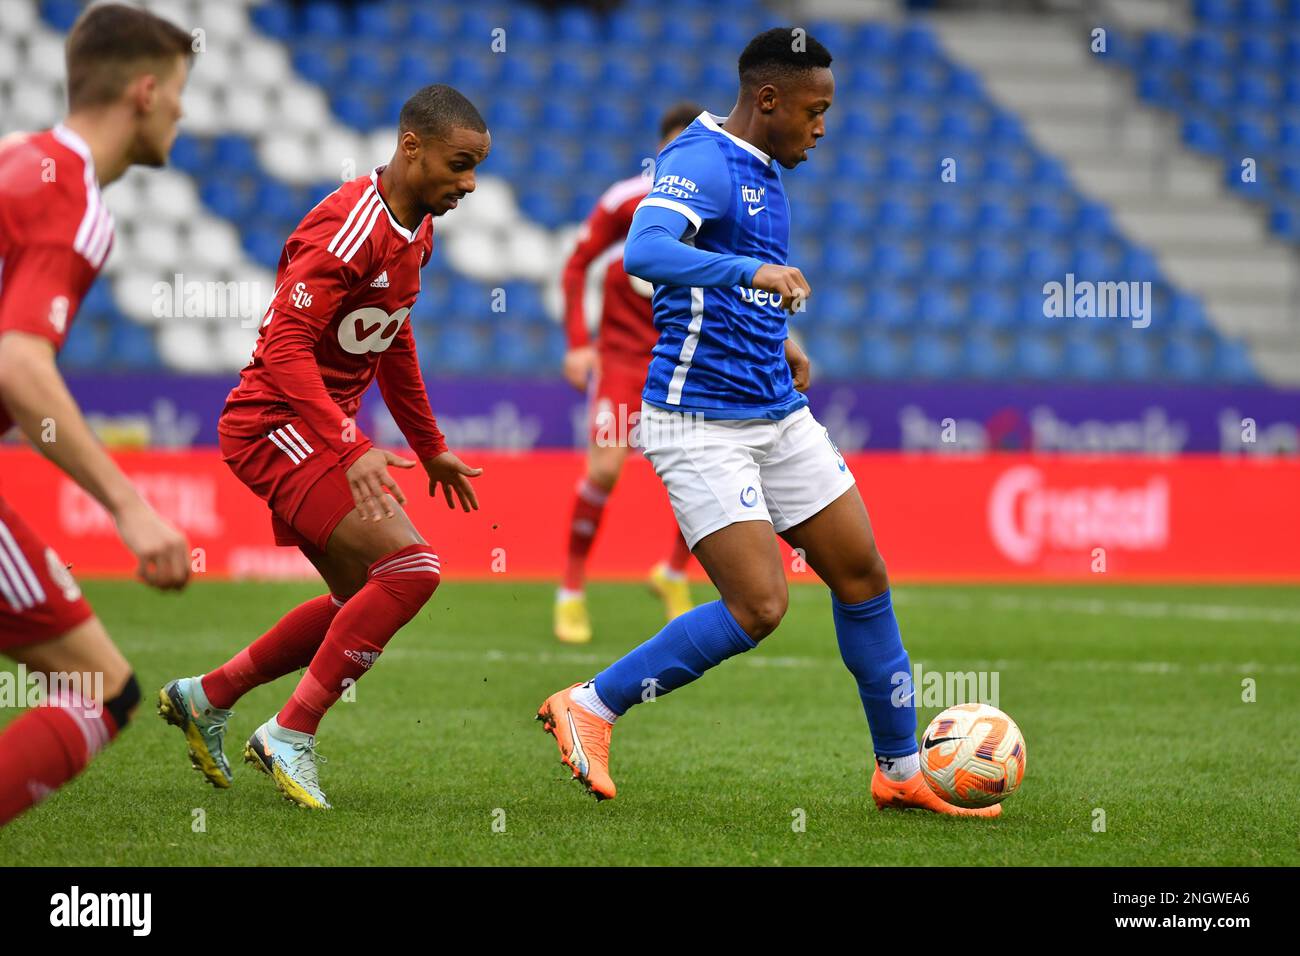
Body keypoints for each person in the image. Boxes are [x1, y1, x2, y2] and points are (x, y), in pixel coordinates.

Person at [536, 28, 999, 817]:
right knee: (760, 607)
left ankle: (897, 768)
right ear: (769, 99)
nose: (823, 126)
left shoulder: (764, 168)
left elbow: (721, 279)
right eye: (815, 110)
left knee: (861, 576)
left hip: (775, 411)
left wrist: (776, 332)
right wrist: (753, 272)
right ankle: (591, 704)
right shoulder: (700, 160)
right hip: (697, 420)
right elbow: (646, 252)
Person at [158, 85, 489, 810]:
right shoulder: (348, 229)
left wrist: (428, 446)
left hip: (314, 428)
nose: (469, 184)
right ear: (412, 147)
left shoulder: (417, 231)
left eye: (475, 170)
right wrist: (349, 438)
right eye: (459, 165)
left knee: (355, 598)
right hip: (275, 421)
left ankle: (205, 697)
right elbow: (282, 346)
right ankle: (289, 732)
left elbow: (391, 336)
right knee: (412, 569)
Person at [0, 3, 194, 827]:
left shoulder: (17, 158)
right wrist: (131, 507)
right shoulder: (72, 200)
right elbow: (17, 362)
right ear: (144, 92)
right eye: (181, 93)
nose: (185, 113)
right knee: (99, 689)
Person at [554, 102, 701, 644]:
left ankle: (672, 572)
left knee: (706, 472)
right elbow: (575, 265)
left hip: (684, 357)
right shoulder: (625, 202)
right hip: (620, 357)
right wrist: (577, 345)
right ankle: (570, 590)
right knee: (607, 468)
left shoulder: (713, 209)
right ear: (662, 150)